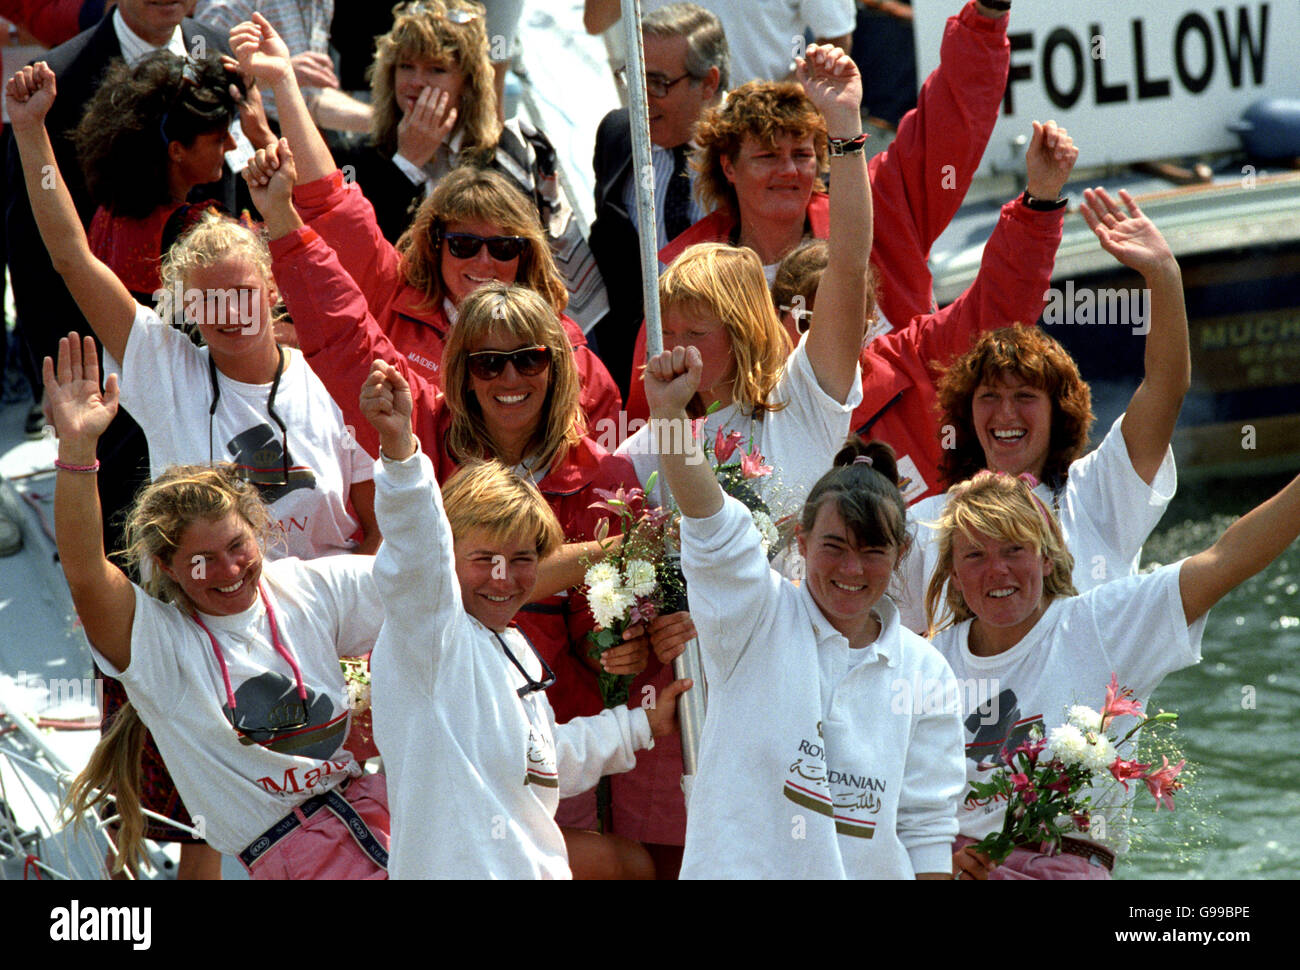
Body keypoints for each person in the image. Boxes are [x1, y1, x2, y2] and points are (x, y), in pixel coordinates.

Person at [47, 333, 388, 880]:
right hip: (299, 860)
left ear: (260, 534)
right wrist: (78, 449)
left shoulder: (308, 586)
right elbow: (86, 573)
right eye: (203, 560)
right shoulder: (158, 644)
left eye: (238, 547)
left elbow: (434, 584)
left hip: (383, 816)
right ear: (167, 566)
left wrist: (579, 561)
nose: (229, 571)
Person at [360, 356, 691, 878]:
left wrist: (641, 725)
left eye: (522, 562)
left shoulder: (513, 645)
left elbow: (545, 759)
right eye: (484, 559)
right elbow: (415, 540)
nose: (503, 578)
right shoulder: (428, 634)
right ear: (447, 558)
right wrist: (402, 452)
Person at [645, 341, 965, 876]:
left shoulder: (928, 673)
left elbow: (926, 831)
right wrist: (671, 416)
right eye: (835, 546)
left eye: (873, 551)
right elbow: (708, 518)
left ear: (901, 554)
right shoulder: (754, 616)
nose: (852, 570)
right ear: (800, 538)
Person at [621, 0, 1015, 416]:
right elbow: (653, 416)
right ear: (728, 167)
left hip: (898, 457)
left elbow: (947, 127)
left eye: (802, 154)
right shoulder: (687, 276)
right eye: (767, 156)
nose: (788, 170)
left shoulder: (878, 217)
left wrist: (985, 19)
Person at [233, 11, 621, 431]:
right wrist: (286, 82)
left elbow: (597, 456)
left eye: (504, 247)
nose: (484, 261)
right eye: (464, 245)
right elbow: (330, 205)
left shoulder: (564, 349)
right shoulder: (395, 293)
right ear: (434, 245)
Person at [929, 468, 1300, 879]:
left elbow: (1226, 560)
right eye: (975, 554)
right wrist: (933, 865)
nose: (997, 569)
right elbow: (888, 801)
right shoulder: (926, 664)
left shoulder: (1101, 626)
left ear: (1047, 557)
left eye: (1014, 549)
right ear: (953, 574)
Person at [897, 187, 1190, 633]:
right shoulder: (924, 524)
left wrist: (1164, 273)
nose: (1005, 413)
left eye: (1025, 397)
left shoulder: (1100, 492)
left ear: (1060, 414)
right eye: (989, 397)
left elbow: (1166, 388)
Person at [4, 0, 232, 563]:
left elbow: (238, 203)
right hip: (111, 385)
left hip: (223, 380)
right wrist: (57, 387)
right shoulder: (55, 83)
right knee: (128, 562)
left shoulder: (220, 55)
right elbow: (42, 257)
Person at [771, 119, 1078, 505]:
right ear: (774, 322)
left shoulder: (918, 357)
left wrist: (1040, 199)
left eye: (844, 322)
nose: (826, 337)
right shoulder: (747, 409)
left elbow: (1001, 306)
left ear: (868, 325)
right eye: (807, 322)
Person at [332, 1, 607, 329]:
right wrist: (405, 164)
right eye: (406, 66)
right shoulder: (358, 158)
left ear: (468, 80)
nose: (417, 82)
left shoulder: (516, 152)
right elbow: (357, 263)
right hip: (397, 336)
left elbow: (560, 276)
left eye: (437, 68)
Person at [588, 2, 728, 399]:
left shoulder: (755, 155)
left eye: (659, 83)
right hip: (636, 377)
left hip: (727, 377)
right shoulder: (617, 136)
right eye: (635, 78)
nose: (642, 98)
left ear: (708, 83)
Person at [73, 49, 271, 303]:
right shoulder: (201, 229)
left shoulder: (107, 215)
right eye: (220, 138)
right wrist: (263, 136)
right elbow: (292, 252)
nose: (233, 144)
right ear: (177, 150)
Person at [194, 0, 372, 132]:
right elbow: (200, 89)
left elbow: (310, 98)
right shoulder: (230, 5)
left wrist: (383, 123)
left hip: (289, 138)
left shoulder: (322, 4)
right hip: (233, 144)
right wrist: (276, 75)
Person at [585, 0, 854, 86]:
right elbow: (595, 21)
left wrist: (770, 105)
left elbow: (835, 38)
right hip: (660, 131)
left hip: (754, 138)